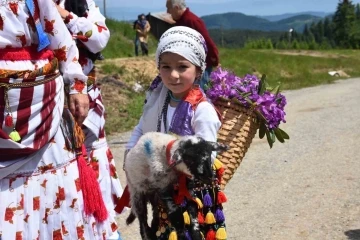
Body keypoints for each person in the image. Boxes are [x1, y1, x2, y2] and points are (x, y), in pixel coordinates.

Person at [0, 0, 116, 239]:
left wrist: (76, 84)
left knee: (55, 187)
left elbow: (63, 37)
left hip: (47, 108)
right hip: (7, 105)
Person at [124, 26, 228, 240]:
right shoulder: (157, 99)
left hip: (189, 195)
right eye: (166, 67)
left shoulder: (202, 110)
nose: (173, 75)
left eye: (182, 67)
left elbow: (206, 154)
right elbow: (142, 129)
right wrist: (131, 156)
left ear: (199, 69)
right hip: (161, 187)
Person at [55, 0, 124, 239]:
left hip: (85, 105)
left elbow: (99, 38)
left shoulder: (80, 4)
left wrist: (64, 15)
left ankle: (102, 230)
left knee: (91, 165)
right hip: (42, 104)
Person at [166, 0, 219, 90]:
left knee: (200, 92)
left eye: (168, 8)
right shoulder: (181, 21)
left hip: (202, 65)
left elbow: (206, 41)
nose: (167, 12)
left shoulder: (191, 21)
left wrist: (214, 59)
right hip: (190, 65)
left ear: (176, 8)